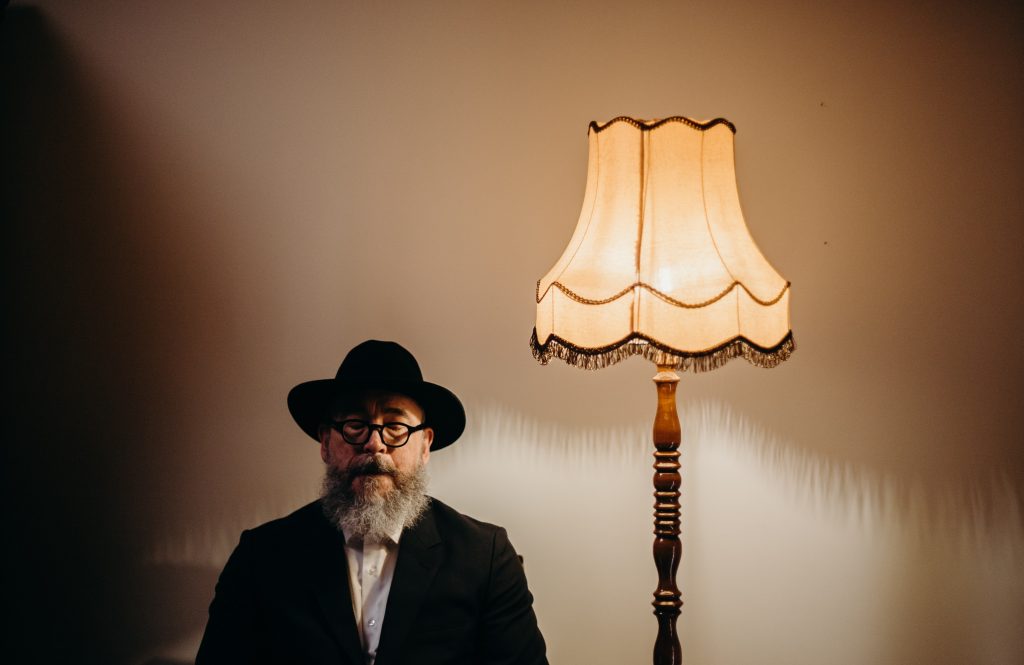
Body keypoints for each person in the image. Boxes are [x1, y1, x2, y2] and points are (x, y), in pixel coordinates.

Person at [196, 340, 548, 665]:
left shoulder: (486, 557)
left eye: (395, 426)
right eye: (355, 424)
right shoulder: (260, 557)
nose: (374, 443)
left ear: (425, 445)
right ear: (325, 443)